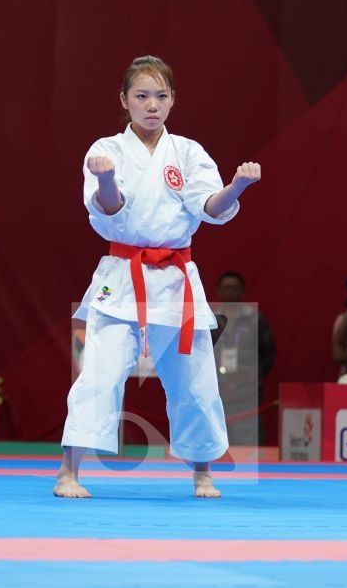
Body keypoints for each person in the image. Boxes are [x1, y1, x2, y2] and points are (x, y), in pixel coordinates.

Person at [55, 54, 262, 499]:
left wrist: (238, 187)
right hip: (122, 275)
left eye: (160, 96)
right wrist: (106, 180)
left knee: (196, 380)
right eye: (142, 96)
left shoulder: (188, 152)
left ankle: (202, 473)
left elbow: (210, 208)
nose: (152, 105)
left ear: (172, 102)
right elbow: (107, 207)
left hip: (176, 279)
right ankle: (68, 473)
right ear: (125, 101)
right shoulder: (106, 150)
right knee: (98, 373)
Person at [213, 270, 276, 446]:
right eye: (226, 288)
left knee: (248, 449)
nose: (230, 292)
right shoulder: (211, 321)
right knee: (217, 448)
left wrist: (251, 379)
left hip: (247, 396)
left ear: (242, 291)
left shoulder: (256, 320)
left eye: (234, 288)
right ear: (218, 291)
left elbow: (268, 354)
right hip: (217, 393)